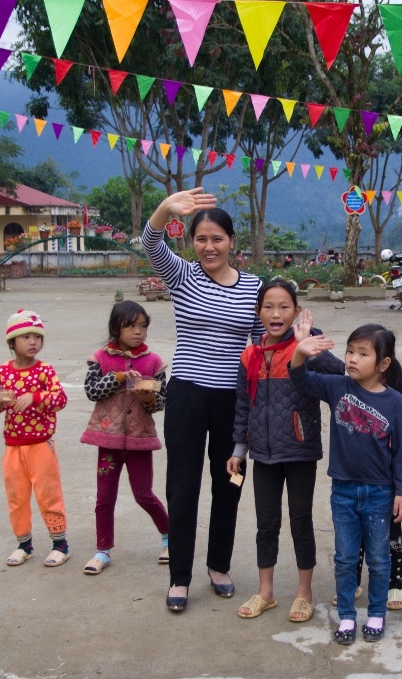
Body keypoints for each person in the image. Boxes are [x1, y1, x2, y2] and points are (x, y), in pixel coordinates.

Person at [142, 190, 264, 613]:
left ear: (232, 241)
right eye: (200, 239)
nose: (209, 247)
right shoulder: (182, 276)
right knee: (182, 486)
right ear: (191, 242)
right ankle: (180, 575)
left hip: (233, 400)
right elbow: (149, 243)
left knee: (228, 484)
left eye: (217, 239)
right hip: (187, 396)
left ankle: (218, 566)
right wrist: (165, 209)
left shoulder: (254, 287)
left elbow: (261, 343)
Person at [229, 280, 345, 622]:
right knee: (265, 524)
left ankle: (303, 594)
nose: (275, 313)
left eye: (284, 306)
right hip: (261, 455)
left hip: (299, 450)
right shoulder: (250, 355)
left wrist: (309, 345)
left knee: (300, 522)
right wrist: (239, 448)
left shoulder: (306, 347)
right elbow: (242, 405)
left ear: (296, 311)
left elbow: (341, 375)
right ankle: (266, 592)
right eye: (268, 306)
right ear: (257, 312)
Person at [290, 316, 402, 645]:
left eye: (362, 353)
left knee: (379, 558)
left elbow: (399, 450)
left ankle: (376, 612)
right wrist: (300, 350)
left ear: (383, 363)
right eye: (350, 351)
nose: (353, 359)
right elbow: (299, 377)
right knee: (344, 558)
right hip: (342, 490)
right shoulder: (337, 386)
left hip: (380, 493)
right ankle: (346, 615)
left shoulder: (394, 401)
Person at [80, 302, 169, 576]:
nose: (138, 331)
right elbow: (92, 390)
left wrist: (148, 397)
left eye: (143, 326)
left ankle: (169, 537)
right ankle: (102, 551)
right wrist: (117, 377)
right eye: (131, 325)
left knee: (144, 494)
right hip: (108, 440)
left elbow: (161, 402)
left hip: (139, 440)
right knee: (104, 497)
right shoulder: (100, 358)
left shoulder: (154, 362)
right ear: (115, 328)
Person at [0, 309, 70, 568]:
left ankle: (60, 545)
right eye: (26, 337)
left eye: (37, 337)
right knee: (16, 496)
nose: (33, 342)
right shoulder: (2, 371)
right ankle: (24, 544)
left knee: (48, 494)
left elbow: (60, 400)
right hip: (13, 446)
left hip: (40, 446)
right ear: (12, 342)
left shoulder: (45, 371)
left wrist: (35, 397)